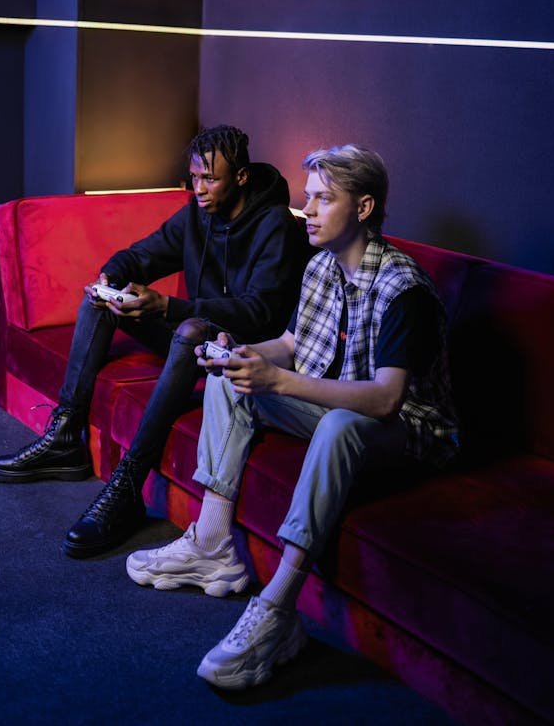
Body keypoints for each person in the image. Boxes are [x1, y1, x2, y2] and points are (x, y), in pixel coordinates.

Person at [124, 144, 460, 690]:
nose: (310, 210)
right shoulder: (321, 266)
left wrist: (278, 380)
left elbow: (384, 401)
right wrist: (249, 355)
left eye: (325, 199)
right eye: (310, 198)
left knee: (339, 425)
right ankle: (212, 545)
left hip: (413, 430)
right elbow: (291, 343)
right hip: (340, 400)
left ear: (365, 208)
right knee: (229, 377)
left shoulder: (405, 289)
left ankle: (278, 609)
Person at [0, 125, 308, 559]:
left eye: (210, 178)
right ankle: (65, 433)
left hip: (243, 349)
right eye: (194, 177)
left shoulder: (277, 226)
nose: (198, 188)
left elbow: (260, 313)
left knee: (190, 329)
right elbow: (146, 253)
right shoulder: (198, 213)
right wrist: (112, 278)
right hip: (189, 335)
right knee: (102, 302)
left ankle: (128, 484)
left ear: (242, 177)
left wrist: (168, 308)